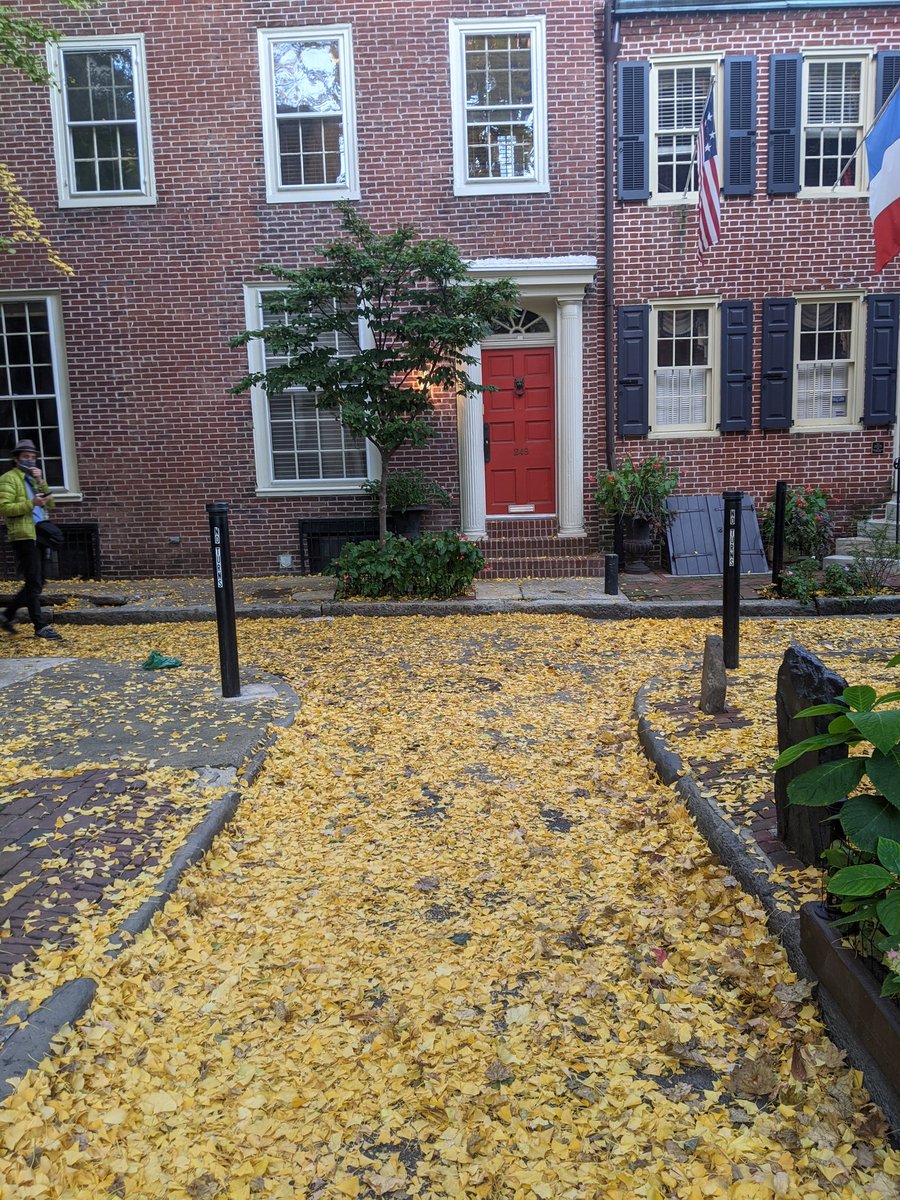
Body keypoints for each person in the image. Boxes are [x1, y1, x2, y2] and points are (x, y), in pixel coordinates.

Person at [0, 439, 63, 640]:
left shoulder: (33, 479)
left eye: (33, 458)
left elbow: (50, 504)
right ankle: (40, 626)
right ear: (17, 459)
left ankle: (7, 615)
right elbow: (5, 508)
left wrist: (42, 481)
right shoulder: (8, 479)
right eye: (26, 457)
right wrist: (31, 503)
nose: (30, 461)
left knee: (38, 580)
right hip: (23, 535)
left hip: (39, 534)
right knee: (34, 580)